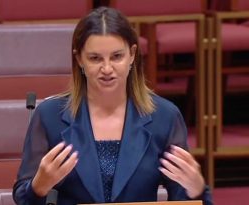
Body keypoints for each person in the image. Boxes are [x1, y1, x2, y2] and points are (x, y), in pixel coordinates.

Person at [13, 6, 213, 205]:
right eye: (95, 58)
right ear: (79, 59)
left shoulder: (164, 117)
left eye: (117, 56)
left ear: (132, 55)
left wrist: (196, 189)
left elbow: (183, 199)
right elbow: (23, 198)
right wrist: (38, 187)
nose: (107, 69)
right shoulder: (50, 116)